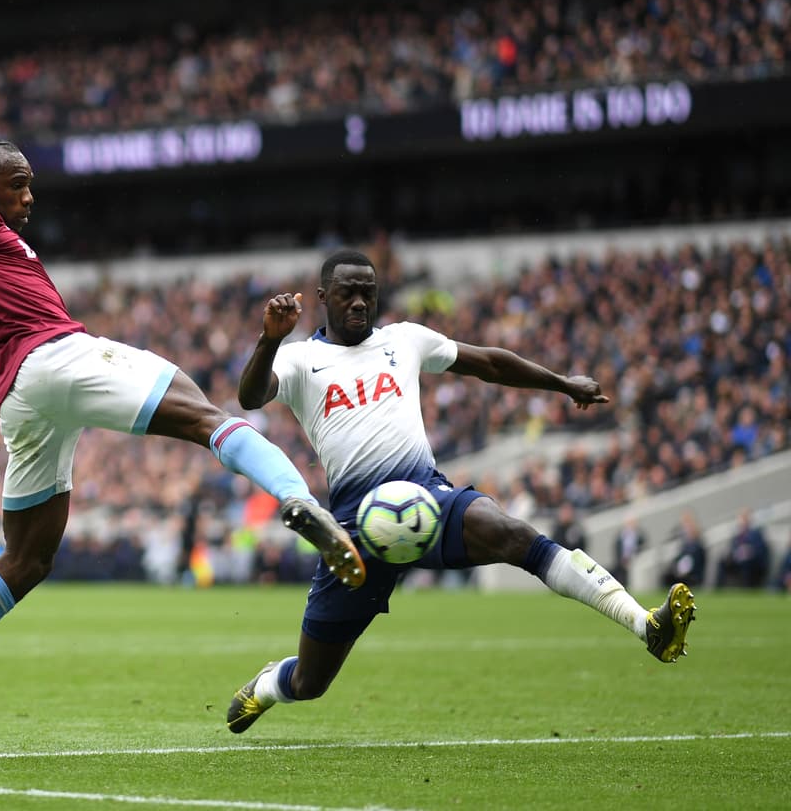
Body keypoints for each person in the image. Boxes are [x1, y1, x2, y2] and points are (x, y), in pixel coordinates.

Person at [0, 138, 365, 756]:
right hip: (53, 358)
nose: (28, 195)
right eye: (17, 183)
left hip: (19, 398)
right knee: (201, 416)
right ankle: (300, 501)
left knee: (26, 560)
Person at [224, 249, 697, 734]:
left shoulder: (405, 340)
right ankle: (266, 686)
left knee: (512, 533)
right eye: (349, 292)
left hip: (428, 499)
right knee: (310, 682)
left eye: (369, 291)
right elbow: (250, 396)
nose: (361, 301)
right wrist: (269, 340)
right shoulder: (303, 359)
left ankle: (646, 625)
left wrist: (562, 383)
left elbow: (489, 363)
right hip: (352, 532)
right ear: (324, 297)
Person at [716, 507, 770, 589]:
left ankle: (746, 588)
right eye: (741, 517)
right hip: (737, 561)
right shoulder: (737, 535)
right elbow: (732, 549)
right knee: (722, 561)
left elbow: (761, 551)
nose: (743, 520)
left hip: (752, 563)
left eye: (745, 517)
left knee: (746, 562)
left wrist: (749, 551)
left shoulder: (756, 533)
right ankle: (719, 588)